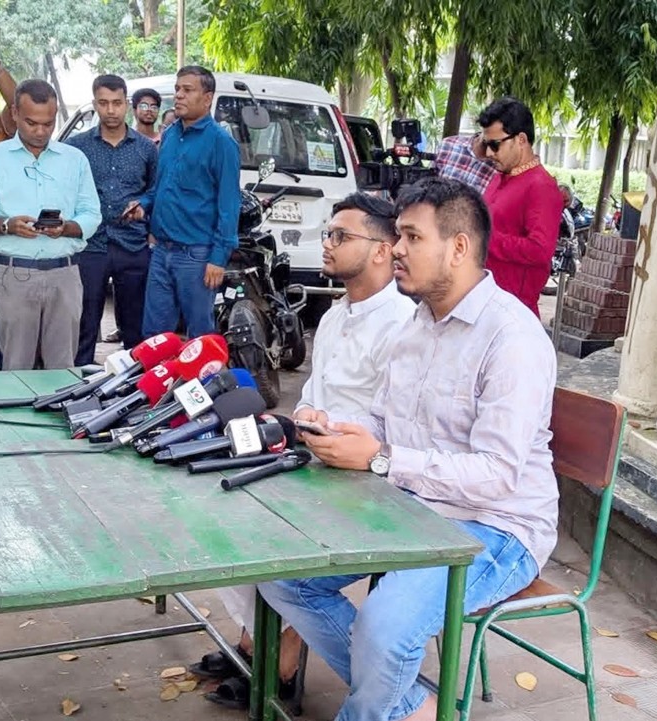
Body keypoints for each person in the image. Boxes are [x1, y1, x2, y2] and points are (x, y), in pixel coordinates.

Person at [259, 177, 556, 721]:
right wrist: (335, 429)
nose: (396, 249)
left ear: (458, 247)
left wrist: (381, 459)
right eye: (397, 235)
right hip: (415, 505)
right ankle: (412, 706)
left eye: (412, 237)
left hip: (497, 525)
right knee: (282, 575)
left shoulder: (511, 337)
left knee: (384, 628)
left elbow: (497, 475)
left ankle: (381, 705)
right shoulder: (417, 324)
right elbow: (384, 419)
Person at [195, 192, 417, 710]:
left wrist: (329, 430)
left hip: (364, 471)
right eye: (328, 234)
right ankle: (254, 637)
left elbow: (396, 422)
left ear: (382, 250)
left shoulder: (402, 324)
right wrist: (306, 416)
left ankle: (282, 660)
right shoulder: (337, 314)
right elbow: (315, 391)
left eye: (341, 236)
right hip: (316, 452)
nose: (328, 244)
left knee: (275, 534)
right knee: (220, 510)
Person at [0, 80, 101, 370]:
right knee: (16, 365)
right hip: (14, 272)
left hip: (64, 273)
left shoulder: (74, 159)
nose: (40, 131)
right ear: (15, 113)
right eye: (31, 123)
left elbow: (92, 213)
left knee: (63, 367)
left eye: (48, 124)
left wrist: (66, 228)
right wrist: (7, 225)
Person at [126, 66, 241, 338]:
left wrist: (218, 258)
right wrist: (143, 204)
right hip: (161, 251)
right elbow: (160, 188)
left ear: (207, 97)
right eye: (178, 89)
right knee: (155, 337)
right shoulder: (169, 135)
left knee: (199, 337)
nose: (178, 95)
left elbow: (229, 206)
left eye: (187, 90)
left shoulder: (221, 143)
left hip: (197, 256)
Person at [66, 75, 157, 363]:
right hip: (90, 245)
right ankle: (80, 378)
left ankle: (132, 382)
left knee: (134, 326)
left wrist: (143, 205)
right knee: (84, 322)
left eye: (117, 103)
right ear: (95, 104)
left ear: (126, 104)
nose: (111, 110)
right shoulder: (77, 147)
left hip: (133, 245)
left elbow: (154, 190)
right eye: (103, 103)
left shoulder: (146, 148)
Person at [476, 97, 565, 316]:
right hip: (484, 300)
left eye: (495, 145)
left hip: (513, 311)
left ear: (521, 140)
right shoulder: (500, 176)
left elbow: (540, 250)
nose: (489, 153)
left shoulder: (541, 186)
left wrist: (483, 238)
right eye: (486, 145)